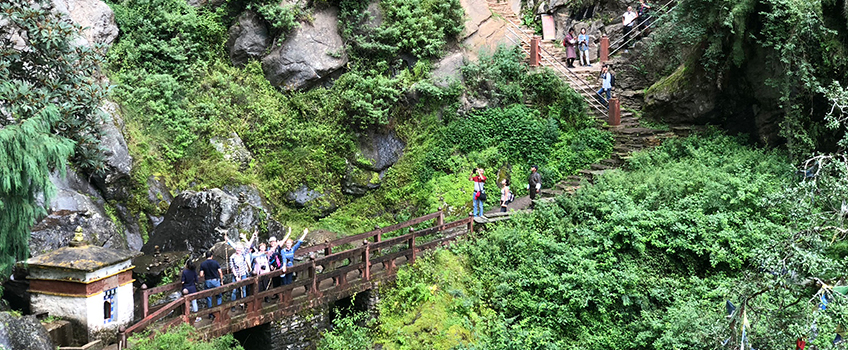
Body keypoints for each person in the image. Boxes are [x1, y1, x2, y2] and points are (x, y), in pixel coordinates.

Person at [199, 250, 223, 317]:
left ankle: (210, 314)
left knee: (209, 297)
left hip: (208, 281)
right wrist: (221, 281)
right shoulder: (215, 262)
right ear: (212, 256)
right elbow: (220, 272)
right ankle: (219, 311)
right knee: (219, 296)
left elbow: (201, 275)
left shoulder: (203, 264)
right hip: (216, 281)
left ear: (206, 257)